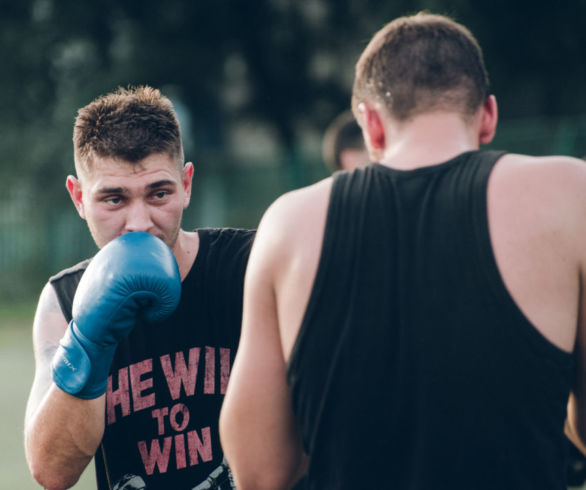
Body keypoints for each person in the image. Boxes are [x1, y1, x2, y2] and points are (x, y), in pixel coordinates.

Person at [219, 12, 586, 490]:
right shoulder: (568, 192)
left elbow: (261, 472)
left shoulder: (287, 226)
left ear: (369, 125)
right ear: (489, 116)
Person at [24, 86, 254, 490]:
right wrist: (88, 339)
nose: (139, 222)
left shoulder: (248, 265)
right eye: (114, 199)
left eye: (159, 193)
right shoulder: (64, 302)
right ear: (78, 198)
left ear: (187, 184)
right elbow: (52, 471)